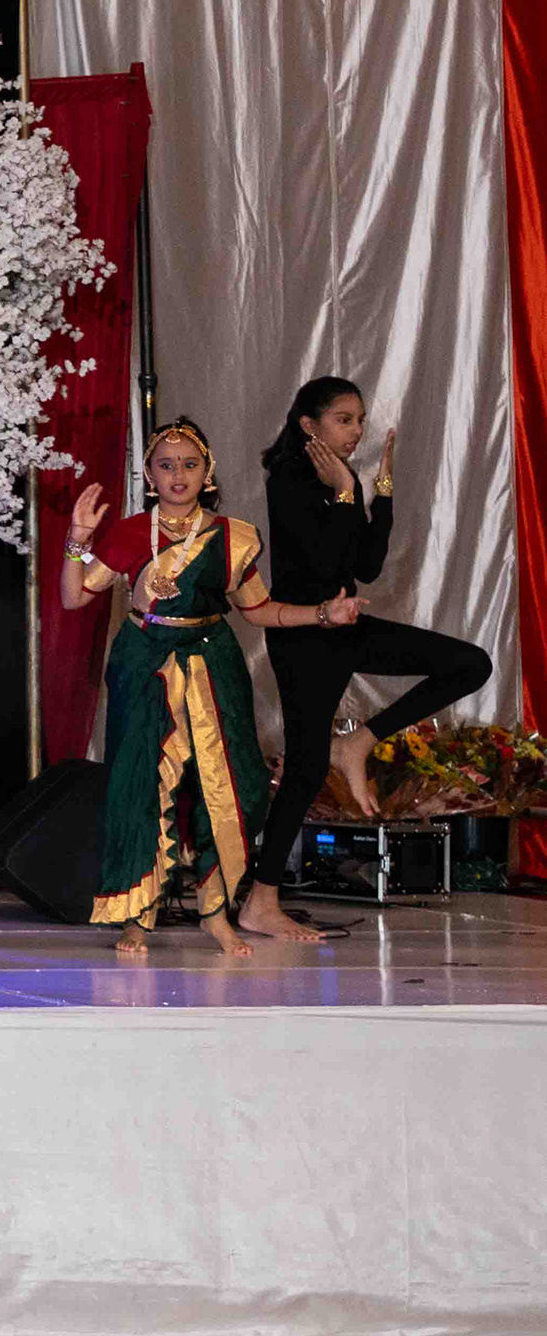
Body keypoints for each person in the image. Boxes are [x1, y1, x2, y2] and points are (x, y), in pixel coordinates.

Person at [62, 418, 349, 960]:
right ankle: (138, 916)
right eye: (166, 465)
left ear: (207, 472)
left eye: (189, 464)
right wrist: (78, 541)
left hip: (213, 660)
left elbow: (259, 609)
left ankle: (215, 911)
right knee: (141, 782)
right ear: (149, 475)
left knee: (237, 784)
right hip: (145, 661)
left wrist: (322, 615)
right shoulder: (130, 533)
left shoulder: (233, 537)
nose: (178, 474)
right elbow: (74, 597)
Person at [254, 376, 488, 939]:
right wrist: (343, 493)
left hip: (347, 627)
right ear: (308, 425)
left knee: (469, 663)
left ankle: (358, 740)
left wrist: (379, 491)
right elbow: (321, 569)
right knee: (306, 769)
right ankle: (260, 902)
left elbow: (367, 567)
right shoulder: (288, 480)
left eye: (359, 419)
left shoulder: (343, 477)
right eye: (343, 419)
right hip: (307, 633)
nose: (357, 430)